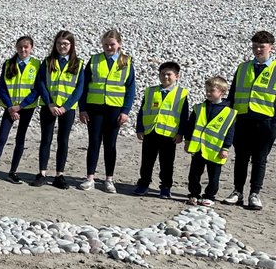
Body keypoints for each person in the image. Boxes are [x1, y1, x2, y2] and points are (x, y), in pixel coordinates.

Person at [0, 35, 40, 185]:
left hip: (26, 107)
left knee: (20, 139)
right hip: (10, 107)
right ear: (16, 47)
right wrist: (11, 107)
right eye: (20, 47)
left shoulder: (37, 64)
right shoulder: (9, 63)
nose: (23, 49)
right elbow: (2, 87)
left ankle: (13, 172)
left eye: (26, 47)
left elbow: (37, 89)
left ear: (31, 48)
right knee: (2, 138)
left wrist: (21, 106)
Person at [224, 30, 276, 211]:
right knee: (241, 158)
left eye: (261, 47)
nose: (257, 50)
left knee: (260, 159)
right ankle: (237, 192)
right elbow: (232, 94)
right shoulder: (243, 67)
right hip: (243, 119)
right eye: (254, 46)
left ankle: (254, 194)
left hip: (266, 122)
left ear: (271, 47)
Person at [79, 29, 135, 193]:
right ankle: (90, 178)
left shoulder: (125, 61)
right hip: (94, 108)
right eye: (106, 45)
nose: (109, 47)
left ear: (119, 44)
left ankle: (109, 179)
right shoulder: (95, 60)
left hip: (114, 109)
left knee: (110, 144)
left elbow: (130, 88)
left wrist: (125, 111)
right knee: (94, 142)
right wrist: (82, 109)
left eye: (112, 44)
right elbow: (84, 85)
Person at [33, 30, 84, 189]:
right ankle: (42, 173)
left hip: (67, 109)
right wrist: (49, 103)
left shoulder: (78, 63)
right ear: (55, 45)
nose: (62, 46)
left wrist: (65, 107)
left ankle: (59, 175)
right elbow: (40, 83)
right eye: (59, 43)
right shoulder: (48, 61)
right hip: (49, 106)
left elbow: (79, 88)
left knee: (63, 141)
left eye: (66, 44)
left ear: (71, 45)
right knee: (46, 140)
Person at [132, 61, 189, 200]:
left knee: (167, 163)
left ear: (177, 76)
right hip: (150, 132)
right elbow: (143, 110)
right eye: (162, 74)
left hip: (169, 135)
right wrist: (140, 128)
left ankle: (165, 187)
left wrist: (181, 133)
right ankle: (144, 184)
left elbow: (184, 115)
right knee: (147, 161)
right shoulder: (151, 91)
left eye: (169, 74)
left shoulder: (181, 94)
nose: (165, 77)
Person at [186, 76, 237, 206]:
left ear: (222, 92)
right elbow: (190, 125)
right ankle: (194, 194)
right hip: (199, 148)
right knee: (194, 174)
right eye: (207, 90)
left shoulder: (229, 113)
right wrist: (187, 141)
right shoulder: (199, 108)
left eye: (212, 90)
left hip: (216, 150)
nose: (208, 93)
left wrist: (225, 148)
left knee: (214, 176)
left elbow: (230, 132)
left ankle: (210, 196)